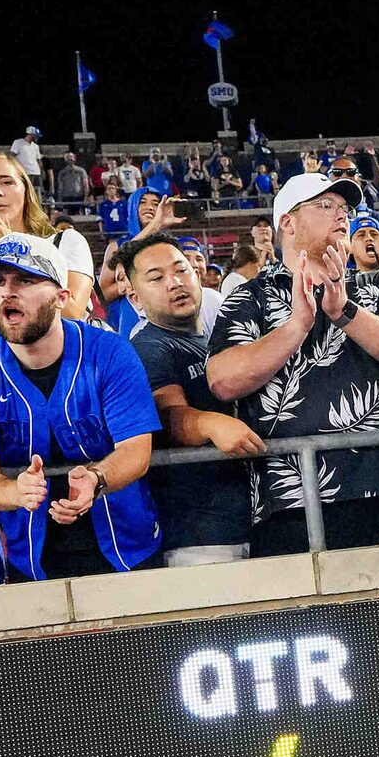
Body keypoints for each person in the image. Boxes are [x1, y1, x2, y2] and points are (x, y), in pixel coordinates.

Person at [206, 173, 379, 556]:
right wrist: (297, 326)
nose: (342, 216)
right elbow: (223, 381)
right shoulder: (250, 297)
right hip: (287, 500)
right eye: (325, 206)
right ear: (288, 223)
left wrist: (345, 312)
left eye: (345, 208)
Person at [0, 233, 160, 580]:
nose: (7, 291)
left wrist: (97, 478)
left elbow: (136, 450)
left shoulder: (110, 353)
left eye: (25, 280)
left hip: (127, 548)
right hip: (31, 557)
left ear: (62, 297)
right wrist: (14, 490)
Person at [118, 235, 264, 566]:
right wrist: (209, 423)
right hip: (201, 534)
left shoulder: (214, 340)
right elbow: (166, 415)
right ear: (134, 298)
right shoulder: (149, 348)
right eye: (156, 278)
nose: (174, 283)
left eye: (181, 270)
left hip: (245, 519)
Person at [0, 149, 99, 356]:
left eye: (7, 182)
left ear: (26, 191)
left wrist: (8, 248)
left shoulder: (66, 241)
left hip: (68, 369)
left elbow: (73, 316)